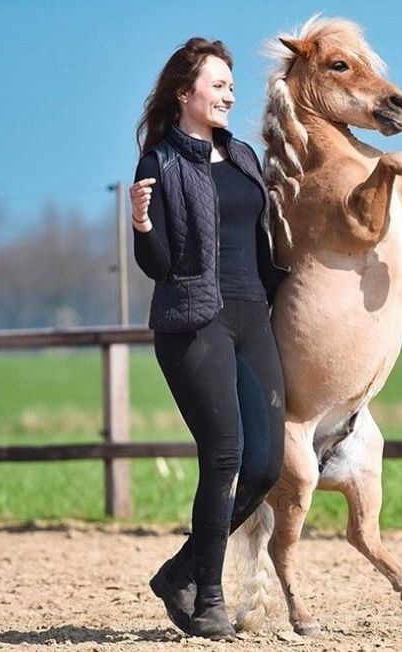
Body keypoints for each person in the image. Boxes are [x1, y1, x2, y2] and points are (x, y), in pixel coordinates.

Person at [129, 37, 286, 641]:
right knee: (224, 455)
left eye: (230, 85)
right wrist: (143, 222)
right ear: (183, 92)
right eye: (217, 84)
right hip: (195, 320)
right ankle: (209, 596)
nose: (229, 94)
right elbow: (158, 263)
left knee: (266, 463)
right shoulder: (159, 162)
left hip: (253, 317)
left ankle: (179, 570)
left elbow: (268, 241)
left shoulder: (244, 155)